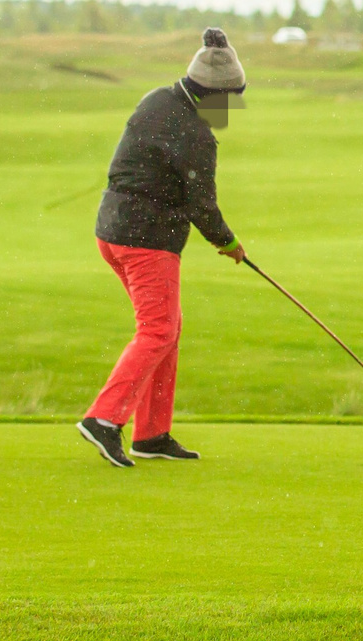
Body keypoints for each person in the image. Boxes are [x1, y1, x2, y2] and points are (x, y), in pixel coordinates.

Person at [76, 28, 248, 467]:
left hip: (112, 232)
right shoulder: (197, 135)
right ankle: (104, 419)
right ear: (213, 93)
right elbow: (201, 205)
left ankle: (151, 434)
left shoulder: (157, 99)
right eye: (231, 98)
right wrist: (228, 242)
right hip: (146, 241)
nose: (233, 108)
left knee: (166, 328)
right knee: (158, 330)